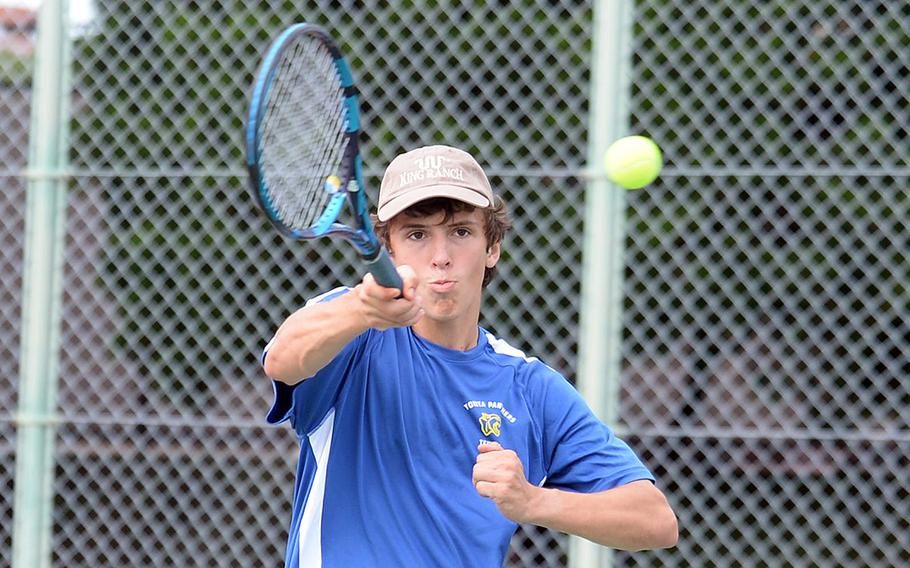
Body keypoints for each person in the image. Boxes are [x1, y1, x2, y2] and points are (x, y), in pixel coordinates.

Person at [261, 145, 678, 567]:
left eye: (460, 232)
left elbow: (655, 519)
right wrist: (360, 311)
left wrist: (533, 502)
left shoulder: (528, 386)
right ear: (390, 251)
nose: (440, 257)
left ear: (491, 248)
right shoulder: (353, 331)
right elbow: (283, 359)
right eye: (417, 234)